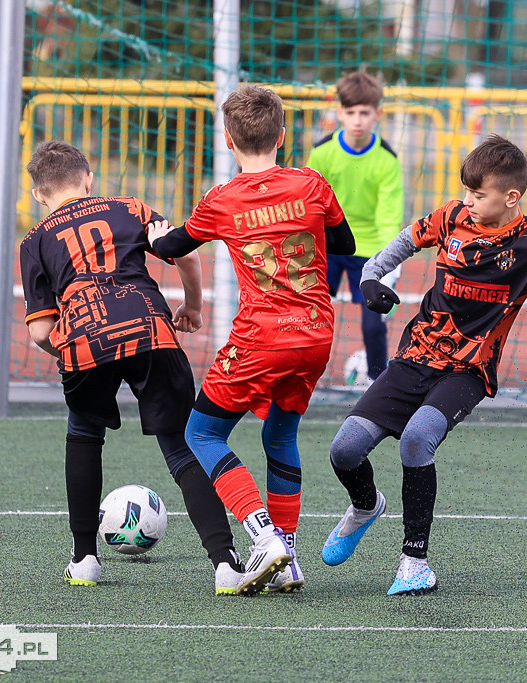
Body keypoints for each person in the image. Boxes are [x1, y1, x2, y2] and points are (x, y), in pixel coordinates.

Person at [319, 134, 527, 595]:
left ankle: (414, 562)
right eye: (466, 190)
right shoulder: (452, 217)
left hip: (469, 370)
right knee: (344, 450)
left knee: (417, 438)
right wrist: (370, 277)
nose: (468, 200)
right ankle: (366, 506)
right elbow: (405, 241)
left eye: (478, 194)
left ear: (511, 197)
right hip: (415, 356)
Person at [147, 84, 355, 596]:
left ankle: (263, 536)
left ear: (227, 139)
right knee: (280, 437)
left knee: (201, 434)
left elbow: (174, 245)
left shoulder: (222, 199)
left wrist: (151, 235)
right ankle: (288, 560)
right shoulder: (312, 183)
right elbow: (344, 243)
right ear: (282, 135)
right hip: (316, 334)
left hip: (262, 337)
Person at [20, 140, 243, 592]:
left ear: (38, 195)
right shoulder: (128, 207)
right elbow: (186, 253)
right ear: (88, 180)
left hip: (85, 335)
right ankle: (225, 564)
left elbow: (41, 332)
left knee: (84, 435)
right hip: (150, 327)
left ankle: (84, 559)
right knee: (182, 447)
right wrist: (193, 307)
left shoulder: (34, 241)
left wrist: (73, 352)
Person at [306, 70, 404, 383]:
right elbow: (310, 205)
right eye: (351, 113)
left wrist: (389, 263)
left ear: (378, 114)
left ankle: (377, 383)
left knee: (373, 324)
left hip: (369, 251)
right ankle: (300, 375)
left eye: (364, 113)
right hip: (329, 247)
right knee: (308, 316)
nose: (357, 120)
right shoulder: (322, 152)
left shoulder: (387, 160)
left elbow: (388, 215)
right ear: (340, 113)